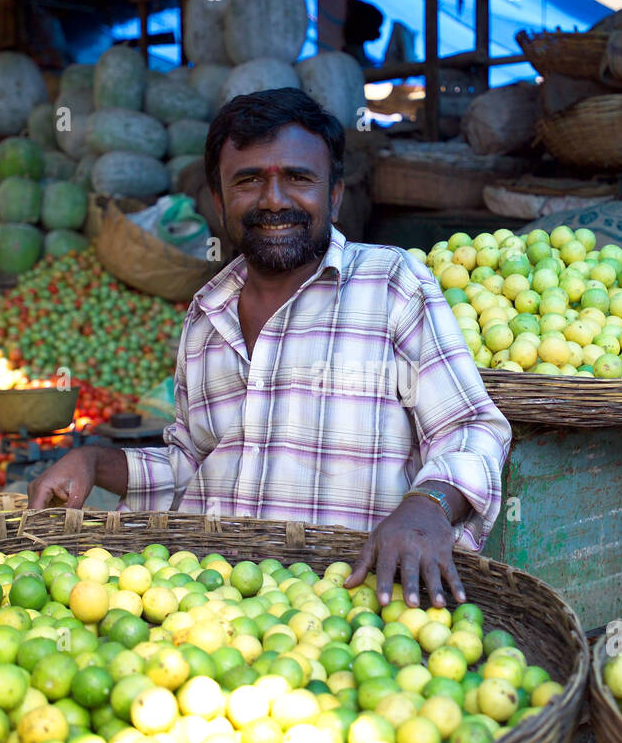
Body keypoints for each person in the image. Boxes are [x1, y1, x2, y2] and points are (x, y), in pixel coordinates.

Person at [29, 88, 512, 608]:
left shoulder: (393, 285)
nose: (274, 199)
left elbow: (472, 428)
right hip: (214, 607)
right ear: (219, 201)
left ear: (335, 195)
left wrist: (429, 505)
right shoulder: (205, 315)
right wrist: (96, 464)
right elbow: (192, 465)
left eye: (298, 178)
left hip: (352, 610)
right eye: (249, 180)